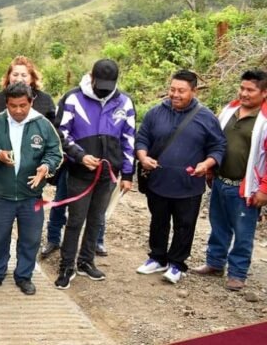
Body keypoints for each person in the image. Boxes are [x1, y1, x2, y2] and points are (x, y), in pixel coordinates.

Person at [135, 70, 226, 283]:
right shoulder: (155, 113)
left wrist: (207, 163)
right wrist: (143, 157)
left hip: (189, 184)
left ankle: (177, 264)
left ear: (194, 91)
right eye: (172, 89)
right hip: (158, 180)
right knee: (158, 221)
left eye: (181, 91)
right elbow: (142, 138)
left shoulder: (206, 117)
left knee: (185, 225)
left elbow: (218, 146)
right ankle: (157, 258)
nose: (175, 94)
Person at [54, 59, 134, 289]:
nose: (104, 90)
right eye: (100, 84)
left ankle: (86, 261)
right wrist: (80, 156)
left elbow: (129, 139)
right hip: (80, 172)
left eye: (110, 85)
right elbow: (60, 133)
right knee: (75, 219)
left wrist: (127, 175)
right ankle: (66, 265)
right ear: (91, 77)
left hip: (109, 174)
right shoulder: (73, 99)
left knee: (97, 220)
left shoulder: (124, 102)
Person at [0, 83, 62, 294]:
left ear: (31, 102)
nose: (17, 111)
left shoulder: (43, 125)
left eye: (22, 105)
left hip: (32, 196)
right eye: (13, 105)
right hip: (1, 194)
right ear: (6, 103)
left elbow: (55, 152)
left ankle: (24, 276)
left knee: (31, 238)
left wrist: (46, 167)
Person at [192, 69, 267, 291]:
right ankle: (215, 263)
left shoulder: (264, 120)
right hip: (220, 180)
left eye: (250, 90)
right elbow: (214, 141)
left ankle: (238, 273)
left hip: (245, 188)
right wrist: (209, 168)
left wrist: (264, 189)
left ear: (264, 93)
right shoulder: (229, 110)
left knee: (243, 232)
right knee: (218, 225)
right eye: (242, 88)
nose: (244, 93)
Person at [0, 56, 56, 121]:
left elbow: (53, 126)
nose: (19, 79)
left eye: (24, 75)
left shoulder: (45, 100)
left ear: (32, 78)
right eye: (15, 75)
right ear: (8, 76)